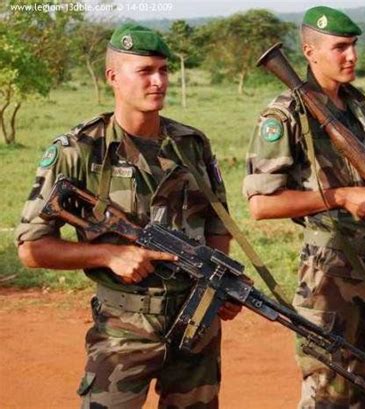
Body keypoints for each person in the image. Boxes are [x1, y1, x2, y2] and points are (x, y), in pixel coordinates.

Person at [16, 23, 241, 409]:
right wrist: (107, 255)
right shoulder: (79, 151)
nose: (158, 81)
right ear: (113, 77)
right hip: (123, 330)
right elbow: (32, 249)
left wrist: (219, 280)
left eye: (164, 70)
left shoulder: (191, 144)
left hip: (195, 326)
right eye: (145, 71)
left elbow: (216, 225)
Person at [243, 6, 365, 409]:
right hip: (326, 276)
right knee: (328, 394)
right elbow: (261, 204)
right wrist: (338, 197)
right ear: (310, 52)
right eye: (340, 47)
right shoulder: (285, 114)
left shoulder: (357, 108)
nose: (351, 56)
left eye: (353, 47)